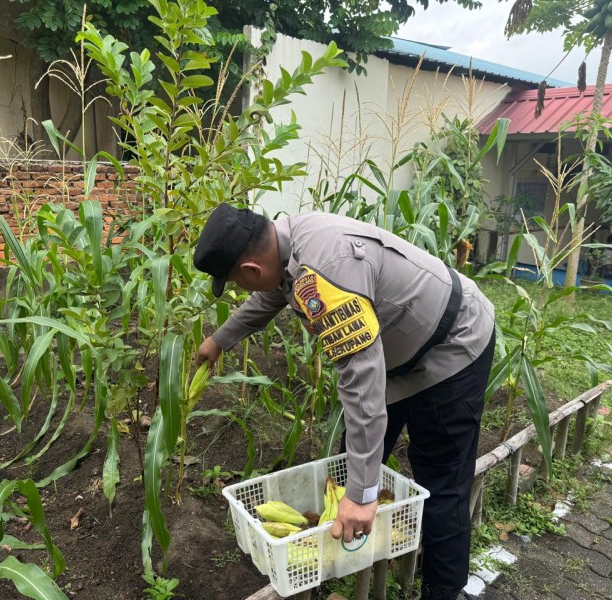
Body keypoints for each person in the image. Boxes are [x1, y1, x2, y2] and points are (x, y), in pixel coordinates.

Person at [194, 203, 496, 600]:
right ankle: (346, 551)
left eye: (237, 282)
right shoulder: (288, 245)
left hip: (452, 345)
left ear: (251, 269)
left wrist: (362, 494)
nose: (243, 289)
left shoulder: (325, 271)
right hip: (399, 350)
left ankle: (443, 590)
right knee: (349, 466)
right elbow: (274, 295)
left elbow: (362, 382)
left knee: (440, 477)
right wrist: (220, 340)